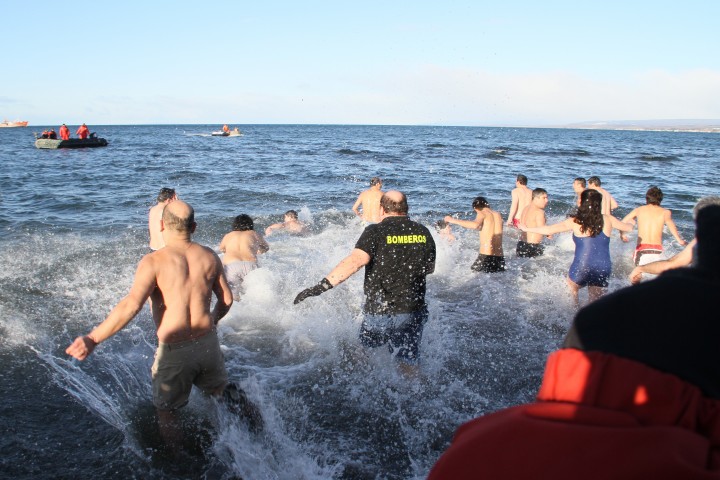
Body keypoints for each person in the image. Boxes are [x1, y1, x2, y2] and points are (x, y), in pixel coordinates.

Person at [428, 205, 720, 480]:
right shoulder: (690, 459)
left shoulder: (477, 444)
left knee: (573, 293)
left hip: (584, 276)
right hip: (613, 266)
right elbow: (628, 227)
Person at [66, 200, 239, 448]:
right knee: (220, 391)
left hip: (174, 350)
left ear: (161, 225)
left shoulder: (154, 261)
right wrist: (213, 319)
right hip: (207, 344)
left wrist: (93, 339)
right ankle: (253, 424)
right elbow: (227, 299)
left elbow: (131, 305)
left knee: (168, 413)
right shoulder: (210, 256)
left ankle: (179, 465)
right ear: (194, 226)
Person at [294, 191, 436, 375]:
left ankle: (362, 390)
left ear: (382, 209)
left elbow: (356, 261)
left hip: (380, 310)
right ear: (406, 208)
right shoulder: (422, 231)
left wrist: (319, 288)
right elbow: (429, 267)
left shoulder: (375, 231)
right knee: (408, 363)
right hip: (411, 309)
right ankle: (415, 399)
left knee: (363, 353)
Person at [519, 189, 633, 305]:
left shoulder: (576, 221)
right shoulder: (608, 219)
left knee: (571, 289)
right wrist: (631, 223)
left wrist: (527, 229)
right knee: (595, 306)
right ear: (599, 204)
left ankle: (574, 317)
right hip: (603, 267)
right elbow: (628, 228)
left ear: (582, 203)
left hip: (582, 265)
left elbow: (549, 229)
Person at [629, 195, 720, 284]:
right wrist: (679, 240)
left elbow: (673, 264)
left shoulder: (704, 240)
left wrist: (641, 268)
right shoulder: (665, 212)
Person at [620, 185, 687, 265]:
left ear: (646, 199)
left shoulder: (638, 210)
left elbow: (622, 223)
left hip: (642, 250)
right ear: (660, 200)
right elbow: (671, 226)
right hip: (657, 250)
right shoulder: (665, 212)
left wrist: (622, 235)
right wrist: (679, 240)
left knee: (638, 274)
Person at [445, 196, 505, 273]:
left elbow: (476, 225)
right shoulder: (498, 215)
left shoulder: (482, 213)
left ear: (476, 208)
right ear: (487, 205)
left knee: (471, 279)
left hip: (486, 256)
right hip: (500, 258)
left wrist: (452, 220)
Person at [219, 214, 269, 300]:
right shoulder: (254, 234)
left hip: (231, 266)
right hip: (251, 265)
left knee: (232, 297)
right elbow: (266, 247)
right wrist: (259, 250)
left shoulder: (228, 235)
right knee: (254, 295)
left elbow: (222, 249)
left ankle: (236, 311)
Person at [516, 188, 549, 258]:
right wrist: (550, 234)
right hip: (533, 247)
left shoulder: (526, 208)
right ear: (536, 198)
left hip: (521, 244)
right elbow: (543, 230)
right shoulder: (539, 212)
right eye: (544, 198)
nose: (547, 200)